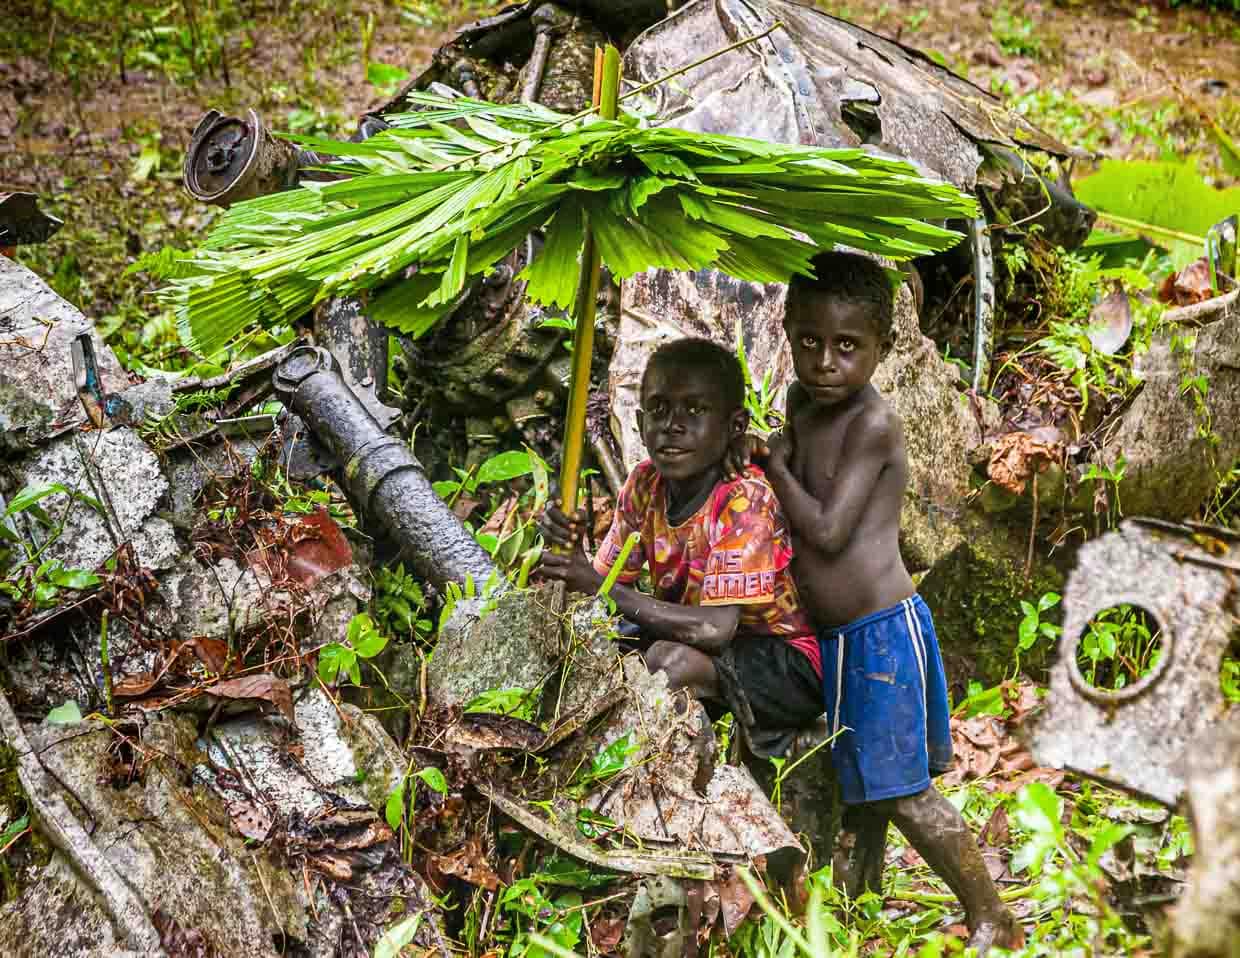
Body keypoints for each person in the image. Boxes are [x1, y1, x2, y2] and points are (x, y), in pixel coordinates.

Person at [755, 250, 1022, 953]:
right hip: (838, 635)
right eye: (809, 341)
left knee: (902, 789)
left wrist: (773, 464)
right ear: (786, 329)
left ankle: (992, 912)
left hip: (882, 632)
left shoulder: (874, 423)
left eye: (848, 347)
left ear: (884, 347)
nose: (825, 362)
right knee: (862, 772)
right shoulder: (800, 402)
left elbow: (827, 529)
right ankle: (861, 897)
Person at [537, 338, 825, 772]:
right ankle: (563, 764)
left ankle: (623, 780)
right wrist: (569, 555)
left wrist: (599, 586)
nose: (673, 425)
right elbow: (603, 591)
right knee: (599, 647)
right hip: (709, 638)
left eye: (695, 410)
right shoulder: (644, 483)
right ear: (638, 421)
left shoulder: (744, 499)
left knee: (666, 664)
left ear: (734, 426)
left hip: (784, 661)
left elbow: (715, 628)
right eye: (658, 409)